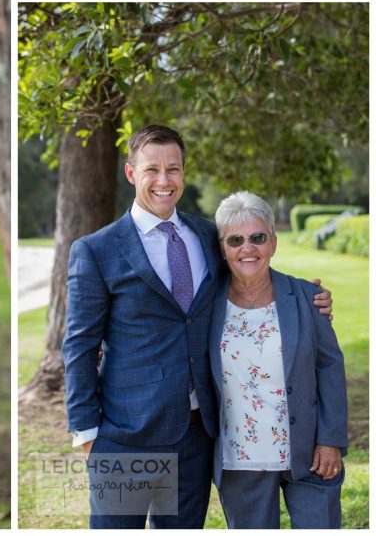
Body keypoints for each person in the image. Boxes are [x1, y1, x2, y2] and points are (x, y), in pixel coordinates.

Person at [63, 125, 332, 528]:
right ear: (131, 173)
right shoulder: (96, 250)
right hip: (126, 434)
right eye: (152, 169)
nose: (164, 180)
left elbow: (252, 268)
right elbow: (79, 346)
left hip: (196, 433)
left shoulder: (207, 236)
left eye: (173, 169)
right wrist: (86, 433)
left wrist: (308, 300)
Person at [210, 191, 347, 529]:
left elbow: (329, 367)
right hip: (239, 461)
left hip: (310, 455)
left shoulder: (306, 296)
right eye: (235, 240)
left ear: (272, 242)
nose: (247, 248)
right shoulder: (206, 305)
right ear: (222, 248)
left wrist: (330, 439)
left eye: (258, 237)